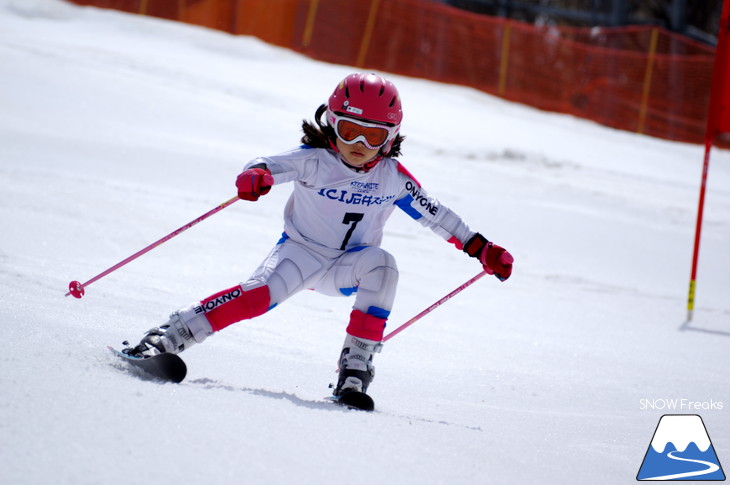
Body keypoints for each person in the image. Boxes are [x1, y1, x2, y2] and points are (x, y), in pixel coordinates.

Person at [126, 72, 513, 398]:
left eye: (373, 137)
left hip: (348, 267)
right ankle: (167, 336)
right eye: (349, 130)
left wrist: (482, 249)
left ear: (391, 137)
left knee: (383, 267)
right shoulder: (315, 160)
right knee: (258, 294)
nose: (358, 146)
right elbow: (267, 164)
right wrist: (255, 176)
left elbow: (438, 216)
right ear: (330, 123)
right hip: (300, 254)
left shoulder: (392, 179)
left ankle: (355, 370)